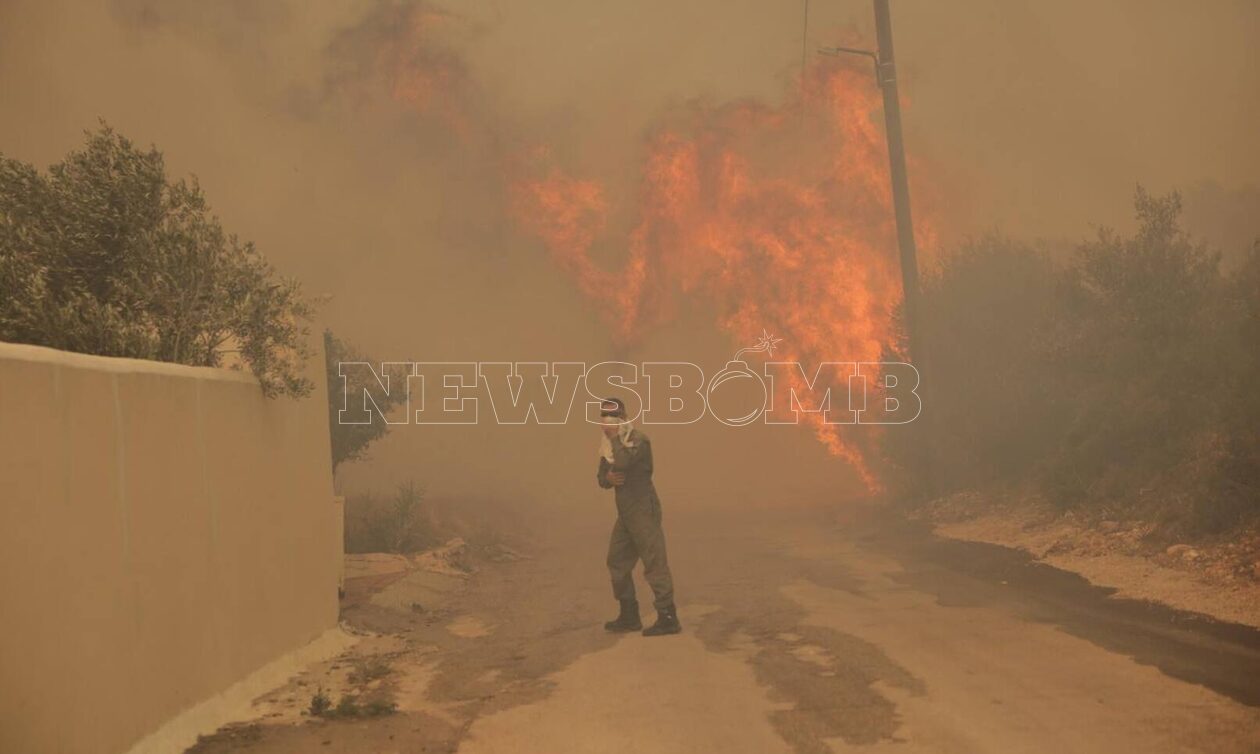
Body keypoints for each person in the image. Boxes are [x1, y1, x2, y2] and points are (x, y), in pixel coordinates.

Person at [596, 397, 680, 636]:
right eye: (604, 416)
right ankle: (629, 615)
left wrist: (613, 438)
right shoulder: (606, 446)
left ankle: (668, 616)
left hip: (643, 509)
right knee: (617, 562)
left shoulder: (637, 440)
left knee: (654, 563)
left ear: (623, 418)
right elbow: (602, 476)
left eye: (613, 416)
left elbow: (622, 462)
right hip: (626, 514)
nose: (607, 421)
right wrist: (608, 480)